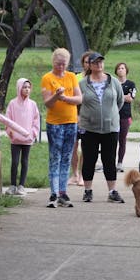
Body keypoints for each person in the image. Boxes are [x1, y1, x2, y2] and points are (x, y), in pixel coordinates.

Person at [78, 52, 125, 203]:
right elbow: (78, 103)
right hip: (89, 127)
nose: (99, 64)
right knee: (89, 159)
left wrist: (110, 115)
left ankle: (112, 191)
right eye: (95, 62)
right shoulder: (83, 83)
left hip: (110, 128)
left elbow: (120, 101)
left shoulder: (114, 81)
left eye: (101, 62)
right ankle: (87, 190)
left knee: (109, 159)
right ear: (90, 65)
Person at [41, 48, 82, 208]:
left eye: (64, 64)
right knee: (55, 157)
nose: (61, 67)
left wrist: (67, 98)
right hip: (54, 123)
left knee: (66, 156)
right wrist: (56, 96)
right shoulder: (47, 78)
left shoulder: (71, 77)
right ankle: (53, 192)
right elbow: (47, 103)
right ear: (53, 62)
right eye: (58, 64)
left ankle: (63, 192)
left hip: (71, 122)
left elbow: (79, 98)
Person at [5, 78, 40, 195]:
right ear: (19, 88)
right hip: (15, 140)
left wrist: (33, 134)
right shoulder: (12, 103)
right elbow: (8, 120)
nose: (27, 90)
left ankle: (21, 185)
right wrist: (11, 133)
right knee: (15, 161)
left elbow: (36, 121)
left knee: (24, 161)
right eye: (24, 87)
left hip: (27, 139)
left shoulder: (33, 104)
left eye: (29, 87)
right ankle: (12, 185)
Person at [68, 51, 91, 186]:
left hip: (89, 118)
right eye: (86, 62)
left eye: (90, 62)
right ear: (83, 64)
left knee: (86, 148)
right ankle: (75, 173)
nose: (88, 64)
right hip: (75, 115)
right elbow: (72, 96)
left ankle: (82, 174)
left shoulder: (96, 79)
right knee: (74, 146)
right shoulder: (76, 78)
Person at [115, 62, 136, 172]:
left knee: (122, 139)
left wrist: (118, 97)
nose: (121, 70)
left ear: (126, 70)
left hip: (125, 115)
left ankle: (120, 162)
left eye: (122, 68)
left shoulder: (131, 84)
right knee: (112, 140)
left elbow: (130, 98)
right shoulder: (113, 83)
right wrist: (124, 96)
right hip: (113, 115)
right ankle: (110, 161)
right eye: (119, 68)